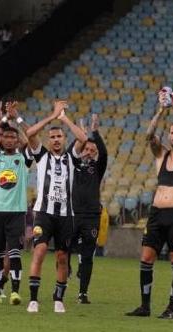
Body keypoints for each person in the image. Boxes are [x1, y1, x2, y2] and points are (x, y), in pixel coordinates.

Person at [126, 89, 173, 320]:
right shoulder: (161, 156)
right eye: (172, 132)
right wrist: (160, 111)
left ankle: (172, 308)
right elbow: (149, 136)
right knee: (146, 258)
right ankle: (145, 306)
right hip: (156, 214)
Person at [24, 101, 88, 313]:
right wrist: (52, 116)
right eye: (52, 137)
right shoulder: (41, 156)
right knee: (39, 251)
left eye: (59, 136)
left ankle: (58, 299)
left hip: (65, 216)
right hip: (43, 213)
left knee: (62, 257)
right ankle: (33, 299)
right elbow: (29, 133)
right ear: (48, 141)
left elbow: (83, 139)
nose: (56, 140)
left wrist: (64, 119)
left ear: (64, 139)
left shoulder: (71, 157)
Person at [0, 101, 35, 305]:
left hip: (16, 212)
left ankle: (16, 292)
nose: (10, 139)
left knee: (15, 252)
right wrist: (3, 119)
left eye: (13, 136)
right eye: (6, 136)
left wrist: (17, 118)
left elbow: (34, 136)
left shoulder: (23, 159)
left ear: (18, 139)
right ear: (0, 138)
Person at [69, 113, 107, 304]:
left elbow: (104, 153)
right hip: (72, 214)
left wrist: (95, 132)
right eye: (87, 148)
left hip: (91, 216)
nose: (90, 152)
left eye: (93, 150)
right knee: (65, 247)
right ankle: (67, 268)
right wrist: (80, 137)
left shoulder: (97, 168)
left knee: (88, 256)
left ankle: (83, 293)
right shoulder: (73, 165)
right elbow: (70, 153)